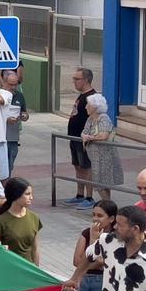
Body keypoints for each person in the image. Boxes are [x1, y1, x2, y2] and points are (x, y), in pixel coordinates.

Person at [63, 68, 97, 209]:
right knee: (78, 166)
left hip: (84, 139)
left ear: (86, 80)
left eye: (77, 79)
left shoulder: (92, 97)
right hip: (75, 137)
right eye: (74, 79)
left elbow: (95, 119)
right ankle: (79, 194)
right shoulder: (82, 96)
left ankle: (89, 197)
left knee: (86, 167)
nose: (74, 82)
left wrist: (89, 136)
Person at [80, 94, 122, 203]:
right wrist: (85, 136)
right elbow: (84, 132)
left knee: (99, 184)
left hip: (105, 157)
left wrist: (89, 138)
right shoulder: (90, 119)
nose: (86, 107)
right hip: (95, 158)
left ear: (95, 107)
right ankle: (108, 205)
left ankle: (109, 205)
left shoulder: (103, 118)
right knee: (102, 183)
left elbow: (104, 136)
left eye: (88, 105)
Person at [2, 71, 28, 177]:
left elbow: (24, 112)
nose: (13, 87)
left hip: (13, 136)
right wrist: (6, 119)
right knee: (2, 166)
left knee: (10, 165)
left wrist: (24, 116)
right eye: (10, 84)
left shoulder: (19, 96)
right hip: (1, 136)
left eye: (15, 84)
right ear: (4, 82)